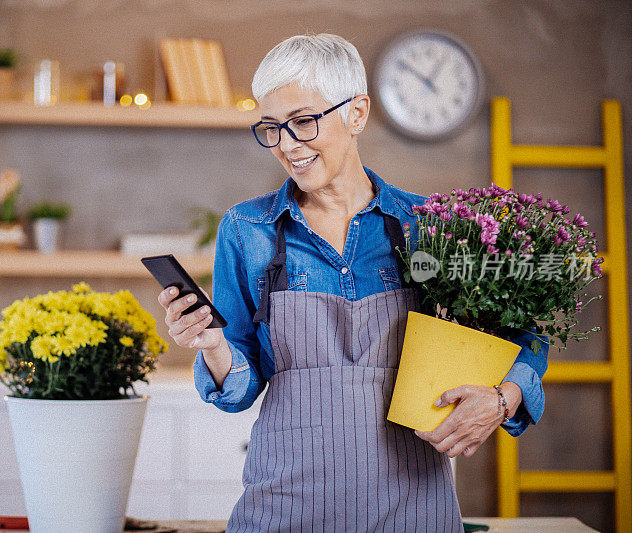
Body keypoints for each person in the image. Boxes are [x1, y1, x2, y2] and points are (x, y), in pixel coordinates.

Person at [157, 33, 548, 532]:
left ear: (356, 114)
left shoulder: (426, 226)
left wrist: (502, 398)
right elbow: (238, 389)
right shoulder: (249, 230)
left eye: (303, 122)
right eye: (272, 128)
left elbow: (522, 334)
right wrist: (213, 347)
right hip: (282, 511)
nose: (287, 146)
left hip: (413, 511)